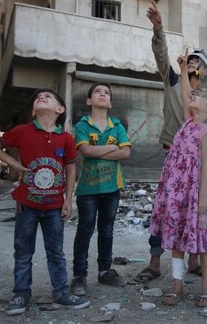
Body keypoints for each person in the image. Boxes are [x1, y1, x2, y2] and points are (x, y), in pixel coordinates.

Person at [0, 89, 90, 316]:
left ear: (59, 109)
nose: (41, 98)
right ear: (34, 110)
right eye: (38, 98)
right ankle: (21, 294)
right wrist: (14, 165)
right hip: (27, 205)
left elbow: (71, 168)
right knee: (23, 252)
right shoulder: (22, 132)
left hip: (54, 206)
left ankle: (61, 293)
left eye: (48, 97)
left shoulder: (66, 138)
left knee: (56, 252)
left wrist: (68, 200)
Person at [136, 0, 207, 283]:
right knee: (165, 210)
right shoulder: (173, 81)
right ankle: (155, 261)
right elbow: (161, 55)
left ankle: (193, 262)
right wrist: (159, 29)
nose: (191, 63)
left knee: (196, 209)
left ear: (205, 72)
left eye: (197, 63)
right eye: (190, 60)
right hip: (172, 157)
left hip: (201, 162)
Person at [149, 50, 207, 307]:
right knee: (174, 236)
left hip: (196, 193)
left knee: (202, 238)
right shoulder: (186, 122)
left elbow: (206, 166)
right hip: (175, 189)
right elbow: (184, 94)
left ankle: (206, 286)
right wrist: (183, 70)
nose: (194, 95)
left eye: (200, 95)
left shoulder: (206, 131)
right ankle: (177, 284)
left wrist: (204, 197)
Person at [69, 83, 132, 296]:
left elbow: (126, 154)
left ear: (111, 103)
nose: (102, 94)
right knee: (85, 230)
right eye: (98, 92)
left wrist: (97, 152)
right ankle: (79, 276)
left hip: (112, 187)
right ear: (89, 101)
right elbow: (85, 150)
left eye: (106, 93)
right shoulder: (82, 125)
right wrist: (113, 147)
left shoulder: (117, 125)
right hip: (88, 188)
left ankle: (105, 271)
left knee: (106, 230)